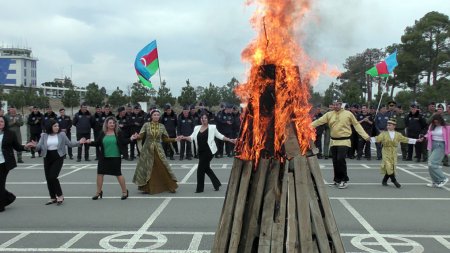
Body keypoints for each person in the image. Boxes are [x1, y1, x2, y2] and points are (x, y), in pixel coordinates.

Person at [312, 100, 370, 189]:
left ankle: (344, 180)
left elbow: (356, 125)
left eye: (337, 104)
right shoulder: (329, 114)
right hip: (333, 141)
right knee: (335, 161)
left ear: (340, 105)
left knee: (340, 159)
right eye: (334, 105)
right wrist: (306, 126)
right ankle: (337, 180)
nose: (335, 106)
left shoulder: (348, 114)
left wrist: (365, 136)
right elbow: (318, 121)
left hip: (344, 141)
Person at [32, 120, 84, 205]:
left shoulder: (62, 135)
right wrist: (34, 146)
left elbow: (69, 144)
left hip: (58, 156)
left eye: (57, 126)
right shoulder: (44, 135)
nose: (57, 127)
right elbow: (39, 147)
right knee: (48, 178)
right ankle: (52, 197)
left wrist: (79, 142)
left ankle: (60, 195)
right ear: (50, 127)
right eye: (55, 126)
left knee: (53, 176)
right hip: (47, 157)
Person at [182, 113, 236, 193]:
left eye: (205, 118)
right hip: (200, 151)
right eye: (202, 118)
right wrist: (184, 137)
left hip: (209, 151)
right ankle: (216, 183)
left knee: (200, 169)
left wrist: (230, 140)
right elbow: (191, 137)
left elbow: (220, 136)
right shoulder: (197, 128)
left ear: (208, 119)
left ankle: (199, 189)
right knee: (206, 168)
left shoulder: (212, 128)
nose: (203, 119)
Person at [132, 110, 181, 194]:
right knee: (147, 168)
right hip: (147, 149)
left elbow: (165, 139)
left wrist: (174, 139)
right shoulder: (146, 125)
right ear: (151, 116)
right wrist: (137, 136)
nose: (156, 116)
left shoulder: (162, 126)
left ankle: (170, 185)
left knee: (163, 166)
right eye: (154, 115)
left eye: (158, 115)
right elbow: (141, 136)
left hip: (158, 149)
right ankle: (147, 188)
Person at [371, 118, 421, 188]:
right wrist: (368, 138)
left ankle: (384, 180)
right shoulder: (383, 134)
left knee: (391, 167)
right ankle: (394, 181)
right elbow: (377, 138)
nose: (388, 126)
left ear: (394, 126)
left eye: (390, 125)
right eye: (387, 125)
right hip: (386, 151)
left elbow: (406, 139)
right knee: (388, 166)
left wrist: (416, 140)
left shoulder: (398, 134)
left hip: (394, 152)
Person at [88, 117, 130, 200]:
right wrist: (89, 142)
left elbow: (124, 141)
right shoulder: (103, 133)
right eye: (110, 123)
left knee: (118, 174)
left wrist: (131, 139)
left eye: (113, 123)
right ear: (106, 124)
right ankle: (98, 192)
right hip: (104, 157)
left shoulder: (118, 133)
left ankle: (124, 192)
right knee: (100, 174)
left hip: (116, 157)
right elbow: (97, 143)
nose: (112, 124)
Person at [0, 116, 32, 212]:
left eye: (1, 121)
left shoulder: (10, 133)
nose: (0, 123)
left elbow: (17, 147)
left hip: (4, 163)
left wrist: (26, 147)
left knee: (0, 184)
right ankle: (9, 197)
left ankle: (1, 206)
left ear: (5, 123)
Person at [424, 114, 450, 188]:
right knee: (430, 164)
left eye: (437, 122)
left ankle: (443, 178)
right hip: (432, 144)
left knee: (433, 163)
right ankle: (435, 181)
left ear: (440, 120)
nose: (436, 123)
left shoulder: (447, 127)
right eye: (434, 122)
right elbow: (429, 134)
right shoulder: (432, 126)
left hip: (441, 145)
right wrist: (424, 137)